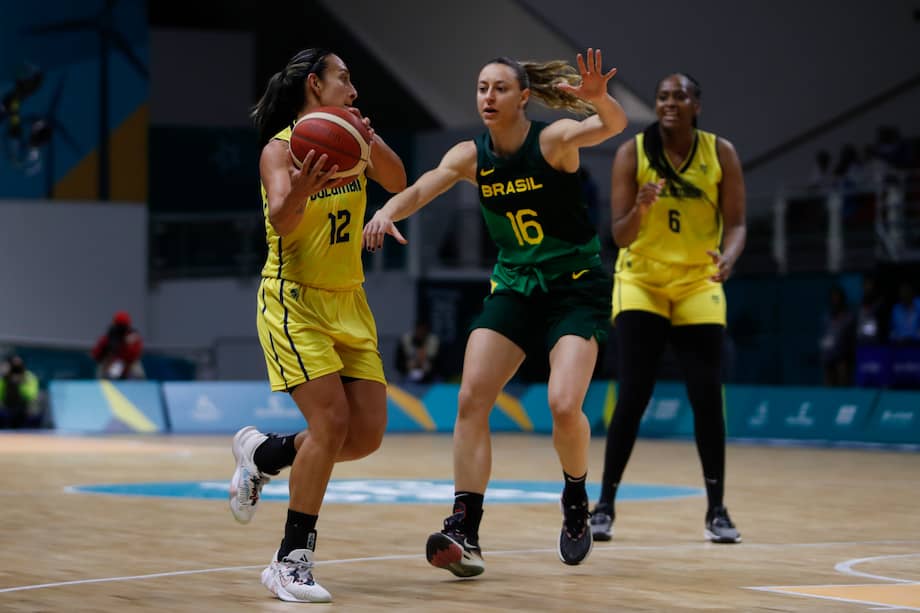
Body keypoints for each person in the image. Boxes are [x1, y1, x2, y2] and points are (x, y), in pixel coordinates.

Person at [364, 48, 628, 574]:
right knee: (471, 398)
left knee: (562, 405)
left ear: (524, 96)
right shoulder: (469, 154)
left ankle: (576, 496)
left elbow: (610, 127)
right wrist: (387, 210)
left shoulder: (552, 141)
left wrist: (600, 100)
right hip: (515, 285)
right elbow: (421, 188)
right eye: (482, 87)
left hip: (574, 287)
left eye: (500, 88)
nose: (488, 96)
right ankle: (466, 527)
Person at [227, 48, 406, 603]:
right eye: (344, 80)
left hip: (349, 300)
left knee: (365, 435)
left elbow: (399, 180)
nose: (354, 91)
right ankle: (291, 560)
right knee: (329, 423)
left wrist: (367, 139)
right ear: (315, 83)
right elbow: (282, 217)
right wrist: (306, 184)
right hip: (294, 300)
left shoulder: (352, 139)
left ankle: (266, 454)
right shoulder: (278, 150)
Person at [591, 73, 747, 544]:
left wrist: (730, 257)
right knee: (634, 392)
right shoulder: (631, 154)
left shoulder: (721, 153)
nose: (670, 102)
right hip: (642, 280)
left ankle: (717, 511)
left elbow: (737, 223)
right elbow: (618, 237)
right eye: (662, 97)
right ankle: (605, 506)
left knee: (706, 396)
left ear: (696, 104)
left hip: (698, 280)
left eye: (679, 96)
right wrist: (639, 208)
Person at [91, 311, 145, 380]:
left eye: (123, 326)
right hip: (112, 362)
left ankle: (141, 387)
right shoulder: (109, 336)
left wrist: (126, 345)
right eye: (119, 325)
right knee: (104, 370)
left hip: (128, 363)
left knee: (137, 371)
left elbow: (135, 355)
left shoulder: (133, 337)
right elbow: (96, 354)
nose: (121, 329)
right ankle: (100, 386)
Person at [820, 285, 856, 386]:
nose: (835, 300)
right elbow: (824, 335)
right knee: (829, 382)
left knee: (843, 380)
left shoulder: (849, 317)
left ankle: (844, 398)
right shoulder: (826, 317)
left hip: (843, 356)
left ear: (842, 299)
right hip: (828, 355)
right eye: (833, 298)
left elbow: (851, 338)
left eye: (837, 298)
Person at [0, 355, 41, 429]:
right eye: (13, 364)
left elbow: (31, 395)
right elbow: (1, 394)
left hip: (25, 411)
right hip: (7, 410)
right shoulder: (5, 378)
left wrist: (19, 383)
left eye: (18, 364)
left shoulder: (28, 377)